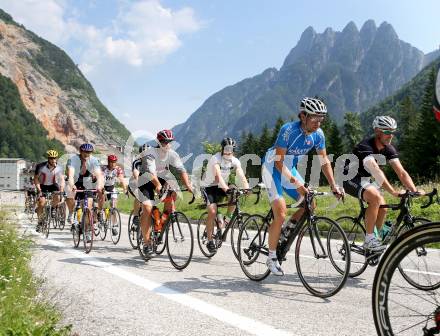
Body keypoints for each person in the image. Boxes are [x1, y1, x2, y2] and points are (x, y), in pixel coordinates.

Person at [262, 97, 343, 276]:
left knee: (310, 204)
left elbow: (324, 162)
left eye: (321, 119)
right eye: (314, 118)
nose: (318, 122)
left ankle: (286, 230)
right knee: (280, 212)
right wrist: (297, 183)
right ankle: (271, 256)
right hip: (272, 166)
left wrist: (333, 185)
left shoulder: (318, 134)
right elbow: (278, 163)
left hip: (288, 169)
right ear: (303, 115)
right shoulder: (288, 130)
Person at [343, 116, 419, 254]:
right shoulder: (365, 146)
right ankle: (369, 239)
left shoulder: (388, 148)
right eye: (387, 132)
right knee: (375, 198)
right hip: (349, 178)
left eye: (393, 132)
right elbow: (376, 171)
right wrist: (393, 192)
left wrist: (414, 190)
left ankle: (374, 239)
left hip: (364, 179)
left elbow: (401, 172)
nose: (391, 135)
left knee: (383, 207)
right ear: (377, 131)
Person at [130, 130, 193, 257]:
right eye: (164, 142)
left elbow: (182, 170)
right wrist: (158, 185)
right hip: (147, 179)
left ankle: (162, 222)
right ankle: (147, 243)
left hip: (163, 177)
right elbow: (151, 173)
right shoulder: (150, 153)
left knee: (172, 194)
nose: (167, 144)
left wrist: (188, 185)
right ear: (159, 142)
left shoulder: (172, 154)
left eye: (170, 142)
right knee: (147, 208)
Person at [200, 137, 249, 253]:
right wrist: (226, 189)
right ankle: (210, 240)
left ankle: (227, 218)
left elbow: (241, 175)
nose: (228, 151)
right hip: (208, 186)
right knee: (212, 211)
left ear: (233, 150)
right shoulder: (215, 158)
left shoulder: (234, 161)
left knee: (235, 191)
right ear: (222, 149)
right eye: (226, 149)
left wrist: (247, 187)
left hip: (222, 186)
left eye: (231, 149)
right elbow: (218, 176)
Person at [65, 143, 103, 242]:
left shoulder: (94, 160)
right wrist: (72, 185)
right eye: (85, 152)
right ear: (81, 152)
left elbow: (99, 174)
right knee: (72, 197)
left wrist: (99, 185)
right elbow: (71, 174)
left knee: (89, 206)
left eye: (89, 152)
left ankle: (87, 231)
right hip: (76, 181)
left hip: (88, 183)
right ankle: (73, 215)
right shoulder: (73, 160)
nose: (87, 154)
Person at [34, 150, 65, 232]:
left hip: (53, 185)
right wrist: (39, 190)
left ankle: (53, 209)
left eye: (54, 158)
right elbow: (36, 179)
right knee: (41, 203)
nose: (53, 160)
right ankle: (40, 222)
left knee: (58, 198)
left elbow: (62, 179)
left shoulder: (59, 167)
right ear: (48, 159)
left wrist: (61, 190)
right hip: (42, 185)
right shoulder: (40, 166)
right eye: (51, 158)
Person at [97, 154, 127, 222]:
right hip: (102, 186)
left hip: (111, 187)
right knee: (102, 198)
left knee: (114, 206)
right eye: (111, 162)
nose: (113, 164)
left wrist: (125, 189)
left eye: (115, 162)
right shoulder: (103, 168)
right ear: (108, 162)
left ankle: (114, 224)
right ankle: (100, 212)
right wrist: (101, 187)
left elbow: (122, 179)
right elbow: (100, 178)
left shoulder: (118, 169)